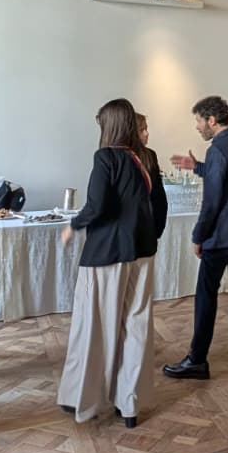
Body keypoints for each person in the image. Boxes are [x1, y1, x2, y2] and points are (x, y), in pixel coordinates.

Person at [59, 98, 166, 427]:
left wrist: (73, 225)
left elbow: (97, 205)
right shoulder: (148, 157)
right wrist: (149, 237)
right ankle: (129, 405)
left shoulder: (105, 157)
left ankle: (84, 399)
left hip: (106, 254)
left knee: (95, 327)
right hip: (142, 252)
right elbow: (160, 206)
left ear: (110, 125)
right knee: (136, 326)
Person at [164, 95, 228, 378]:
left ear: (212, 120)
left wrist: (198, 235)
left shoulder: (217, 149)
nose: (197, 127)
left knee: (206, 295)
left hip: (220, 237)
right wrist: (198, 167)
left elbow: (213, 201)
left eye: (199, 121)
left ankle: (197, 359)